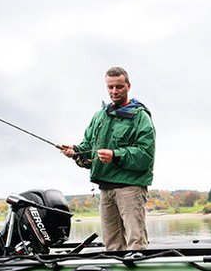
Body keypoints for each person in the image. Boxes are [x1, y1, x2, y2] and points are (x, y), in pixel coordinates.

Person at [61, 66, 155, 251]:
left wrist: (115, 155)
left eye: (119, 86)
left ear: (128, 86)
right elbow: (88, 149)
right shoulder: (99, 117)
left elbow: (145, 155)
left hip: (131, 187)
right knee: (111, 244)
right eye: (110, 87)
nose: (114, 91)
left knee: (136, 241)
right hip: (105, 188)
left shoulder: (140, 117)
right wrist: (76, 152)